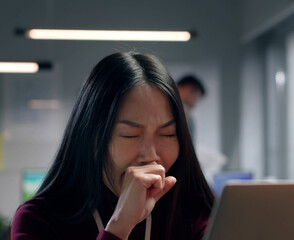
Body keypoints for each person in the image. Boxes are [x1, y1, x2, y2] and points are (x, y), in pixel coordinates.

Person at [11, 52, 214, 240]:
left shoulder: (195, 212)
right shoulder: (38, 220)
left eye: (168, 134)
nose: (151, 155)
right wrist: (119, 226)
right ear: (92, 139)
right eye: (130, 135)